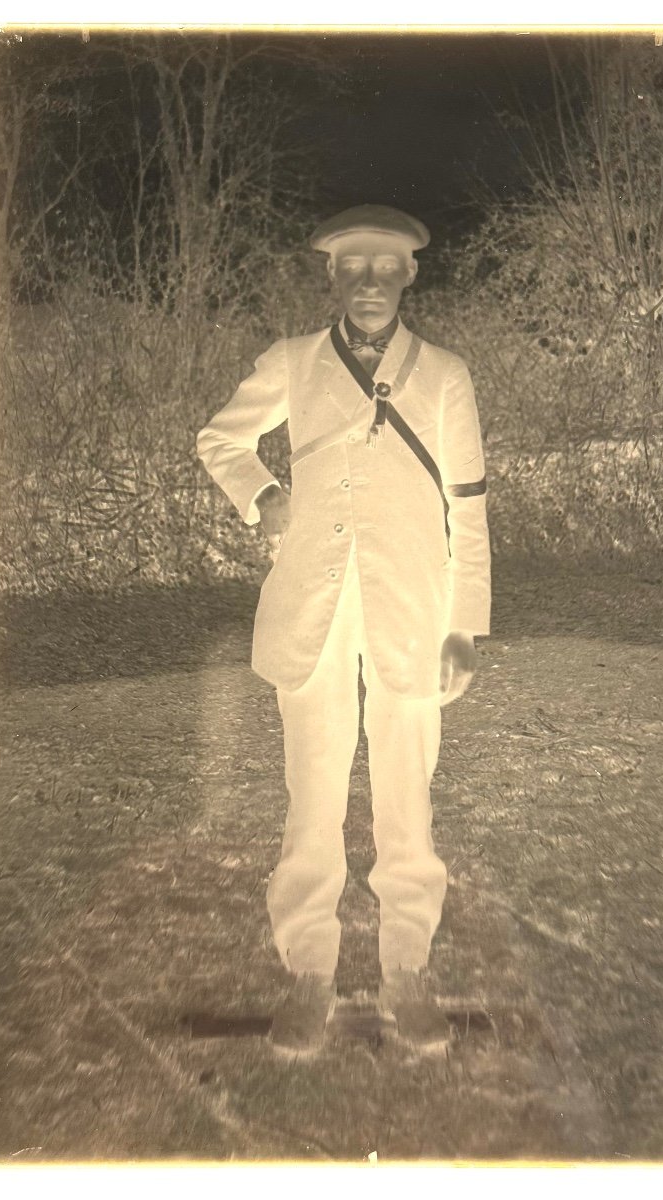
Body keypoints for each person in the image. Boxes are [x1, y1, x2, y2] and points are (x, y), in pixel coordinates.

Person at [197, 204, 491, 1057]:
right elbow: (220, 440)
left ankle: (407, 972)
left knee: (408, 799)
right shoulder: (291, 365)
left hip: (414, 609)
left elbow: (468, 510)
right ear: (332, 277)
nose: (369, 283)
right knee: (312, 797)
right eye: (352, 268)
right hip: (312, 613)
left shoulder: (445, 376)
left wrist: (464, 624)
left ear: (409, 275)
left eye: (385, 266)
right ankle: (309, 976)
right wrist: (264, 494)